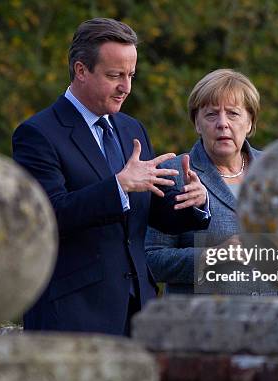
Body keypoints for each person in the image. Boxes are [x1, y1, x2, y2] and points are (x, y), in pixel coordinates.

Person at [12, 18, 210, 336]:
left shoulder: (132, 128)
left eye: (130, 75)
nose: (126, 87)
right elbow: (46, 215)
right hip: (72, 314)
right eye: (115, 75)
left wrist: (194, 202)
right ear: (81, 71)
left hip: (139, 310)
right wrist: (118, 186)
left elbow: (149, 210)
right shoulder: (37, 134)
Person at [145, 69, 278, 295]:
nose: (222, 123)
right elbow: (151, 259)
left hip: (272, 320)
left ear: (250, 122)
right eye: (211, 115)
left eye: (233, 114)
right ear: (197, 124)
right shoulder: (172, 174)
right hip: (205, 324)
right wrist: (213, 256)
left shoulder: (277, 170)